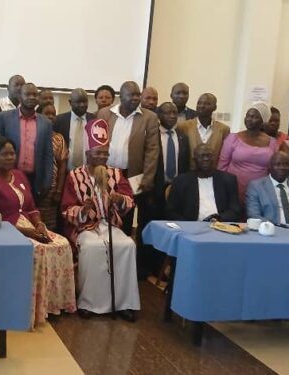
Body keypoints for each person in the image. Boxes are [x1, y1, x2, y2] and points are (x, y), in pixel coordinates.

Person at [0, 137, 76, 326]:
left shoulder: (19, 175)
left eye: (12, 153)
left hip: (27, 225)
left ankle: (51, 304)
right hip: (2, 230)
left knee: (62, 243)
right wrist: (26, 233)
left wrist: (39, 224)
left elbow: (30, 207)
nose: (10, 157)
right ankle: (29, 308)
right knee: (39, 250)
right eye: (5, 154)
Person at [61, 119, 140, 322]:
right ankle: (89, 302)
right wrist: (83, 209)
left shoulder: (115, 173)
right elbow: (66, 208)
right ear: (88, 154)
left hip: (110, 224)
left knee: (127, 245)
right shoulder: (74, 175)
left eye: (105, 154)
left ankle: (124, 303)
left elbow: (129, 200)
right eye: (98, 153)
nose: (102, 157)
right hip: (85, 226)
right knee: (92, 247)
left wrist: (120, 199)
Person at [97, 81, 159, 235]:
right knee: (103, 211)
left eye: (138, 94)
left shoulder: (149, 117)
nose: (136, 98)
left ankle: (123, 251)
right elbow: (97, 143)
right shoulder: (105, 113)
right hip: (106, 172)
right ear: (121, 95)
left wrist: (148, 177)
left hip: (132, 175)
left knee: (127, 213)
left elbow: (152, 150)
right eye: (132, 94)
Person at [138, 102, 190, 278]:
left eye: (174, 113)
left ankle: (161, 267)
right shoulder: (152, 135)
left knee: (169, 228)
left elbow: (185, 165)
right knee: (149, 227)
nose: (172, 116)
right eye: (167, 113)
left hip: (174, 191)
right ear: (158, 115)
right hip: (154, 189)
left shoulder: (182, 136)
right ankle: (143, 267)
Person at [0, 83, 54, 198]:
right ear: (19, 97)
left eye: (35, 95)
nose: (31, 97)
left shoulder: (46, 123)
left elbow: (48, 154)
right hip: (8, 176)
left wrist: (47, 181)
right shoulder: (3, 118)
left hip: (34, 179)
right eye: (27, 94)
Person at [218, 101, 278, 203]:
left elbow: (272, 169)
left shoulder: (272, 142)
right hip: (233, 190)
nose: (249, 119)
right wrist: (222, 188)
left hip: (260, 192)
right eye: (248, 116)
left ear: (262, 121)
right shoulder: (232, 138)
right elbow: (222, 166)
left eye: (254, 117)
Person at [166, 144, 242, 221]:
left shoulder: (228, 180)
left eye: (209, 155)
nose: (206, 159)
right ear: (194, 160)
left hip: (221, 226)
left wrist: (220, 219)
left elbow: (234, 209)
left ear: (214, 159)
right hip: (191, 227)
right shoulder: (181, 181)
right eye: (201, 156)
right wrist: (189, 226)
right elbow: (171, 211)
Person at [245, 151, 289, 224]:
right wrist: (271, 227)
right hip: (271, 230)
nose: (282, 167)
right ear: (270, 166)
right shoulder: (256, 186)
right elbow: (253, 215)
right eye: (278, 164)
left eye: (286, 164)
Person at [35, 103, 67, 230]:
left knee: (49, 225)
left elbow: (62, 166)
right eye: (47, 113)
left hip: (51, 190)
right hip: (33, 186)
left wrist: (58, 191)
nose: (51, 117)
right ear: (38, 115)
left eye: (53, 114)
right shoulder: (32, 136)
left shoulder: (59, 138)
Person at [177, 93, 230, 169]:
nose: (202, 106)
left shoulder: (224, 129)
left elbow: (224, 156)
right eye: (199, 103)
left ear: (214, 107)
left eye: (207, 104)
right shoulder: (184, 127)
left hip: (213, 174)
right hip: (189, 174)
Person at [54, 88, 97, 170]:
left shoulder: (94, 120)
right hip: (65, 171)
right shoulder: (59, 120)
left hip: (88, 171)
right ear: (70, 102)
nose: (82, 105)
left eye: (85, 101)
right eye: (78, 102)